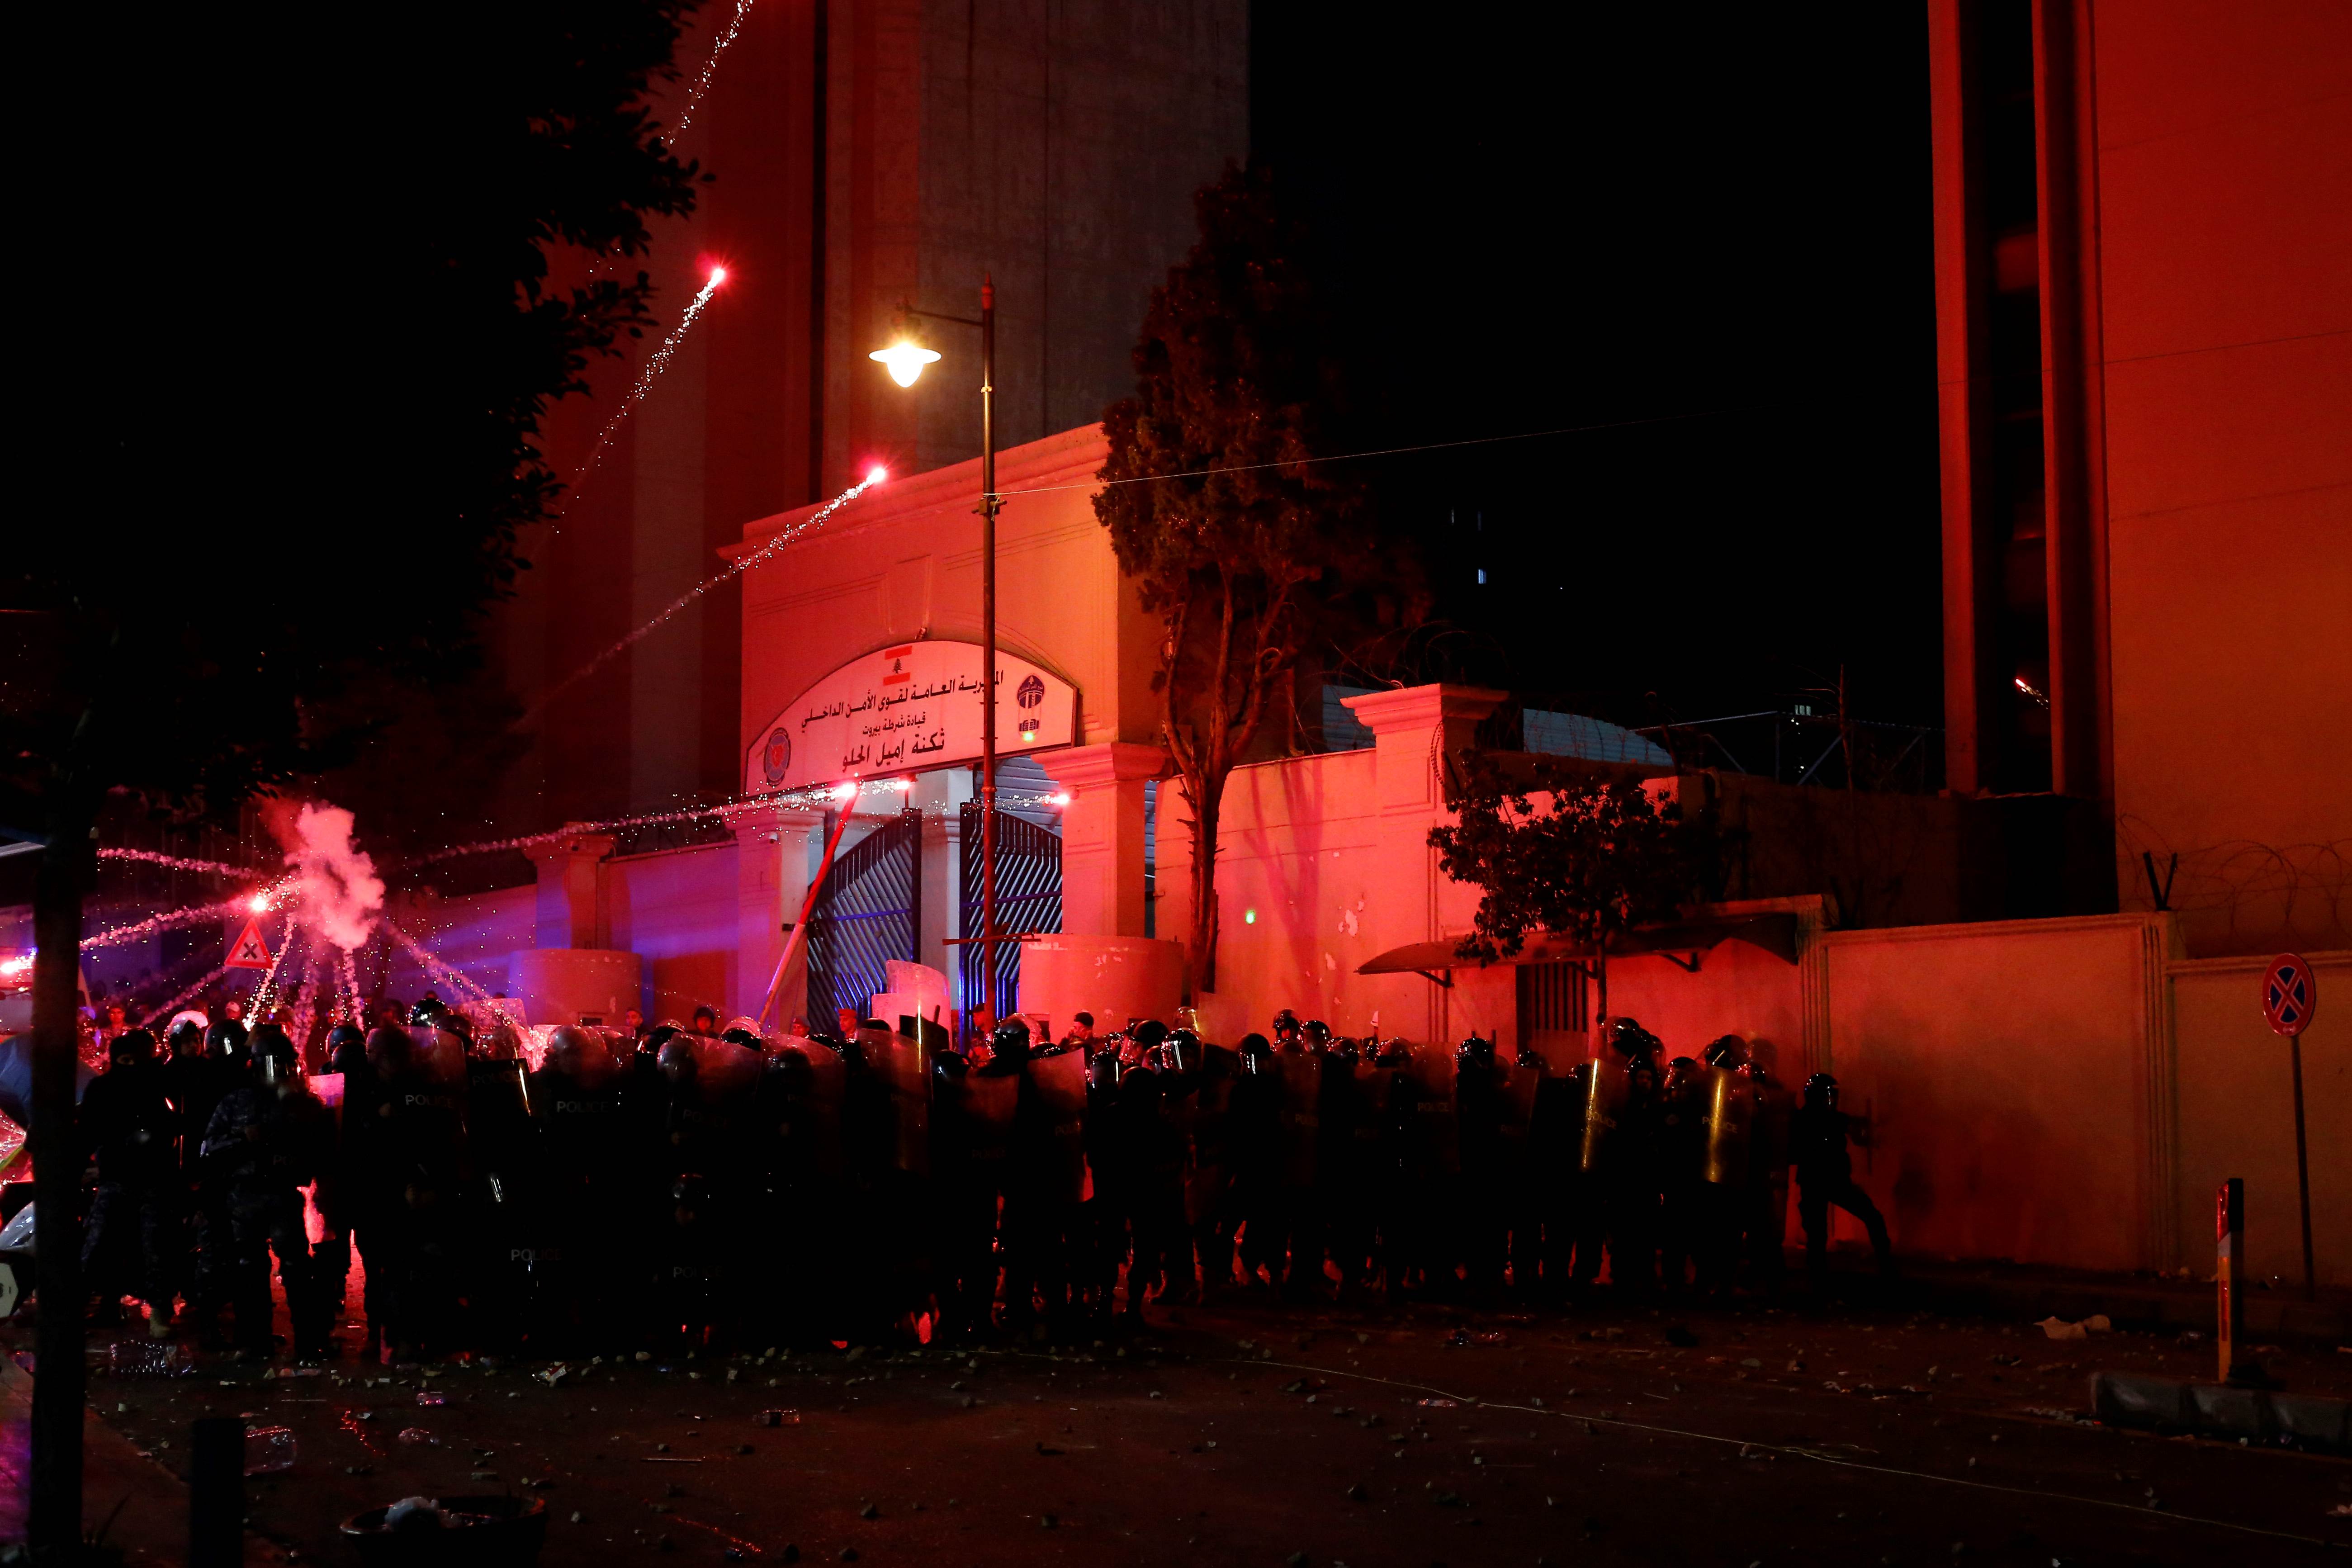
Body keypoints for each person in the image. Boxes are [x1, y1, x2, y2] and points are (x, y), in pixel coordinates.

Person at [199, 1028, 335, 1358]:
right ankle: (254, 1340)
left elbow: (322, 1149)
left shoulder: (303, 1103)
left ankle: (309, 1340)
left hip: (283, 1194)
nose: (282, 1072)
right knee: (249, 1269)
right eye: (275, 1064)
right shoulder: (237, 1101)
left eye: (286, 1064)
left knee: (296, 1267)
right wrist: (242, 1139)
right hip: (245, 1198)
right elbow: (209, 1148)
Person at [80, 1028, 180, 1336]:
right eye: (124, 1060)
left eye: (134, 1060)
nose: (130, 1067)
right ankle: (102, 1305)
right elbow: (89, 1130)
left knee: (154, 1247)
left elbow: (168, 1128)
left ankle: (159, 1311)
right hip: (116, 1178)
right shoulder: (102, 1089)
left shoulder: (153, 1088)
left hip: (151, 1179)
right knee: (100, 1244)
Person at [1791, 1072, 1893, 1284]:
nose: (1833, 1099)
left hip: (1827, 1182)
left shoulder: (1814, 1118)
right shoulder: (1812, 1120)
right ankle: (1884, 1267)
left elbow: (1857, 1131)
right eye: (1829, 1095)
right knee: (1820, 1233)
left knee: (1820, 1233)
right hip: (1823, 1182)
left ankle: (1819, 1279)